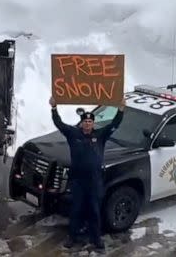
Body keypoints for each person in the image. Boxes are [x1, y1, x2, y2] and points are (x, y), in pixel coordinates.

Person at [49, 96, 126, 251]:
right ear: (81, 123)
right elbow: (59, 124)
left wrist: (121, 110)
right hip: (78, 181)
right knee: (76, 210)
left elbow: (115, 124)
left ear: (93, 123)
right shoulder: (73, 134)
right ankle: (72, 237)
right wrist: (54, 108)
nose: (87, 124)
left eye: (90, 122)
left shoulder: (100, 135)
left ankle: (96, 240)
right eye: (85, 121)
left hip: (94, 181)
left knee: (94, 210)